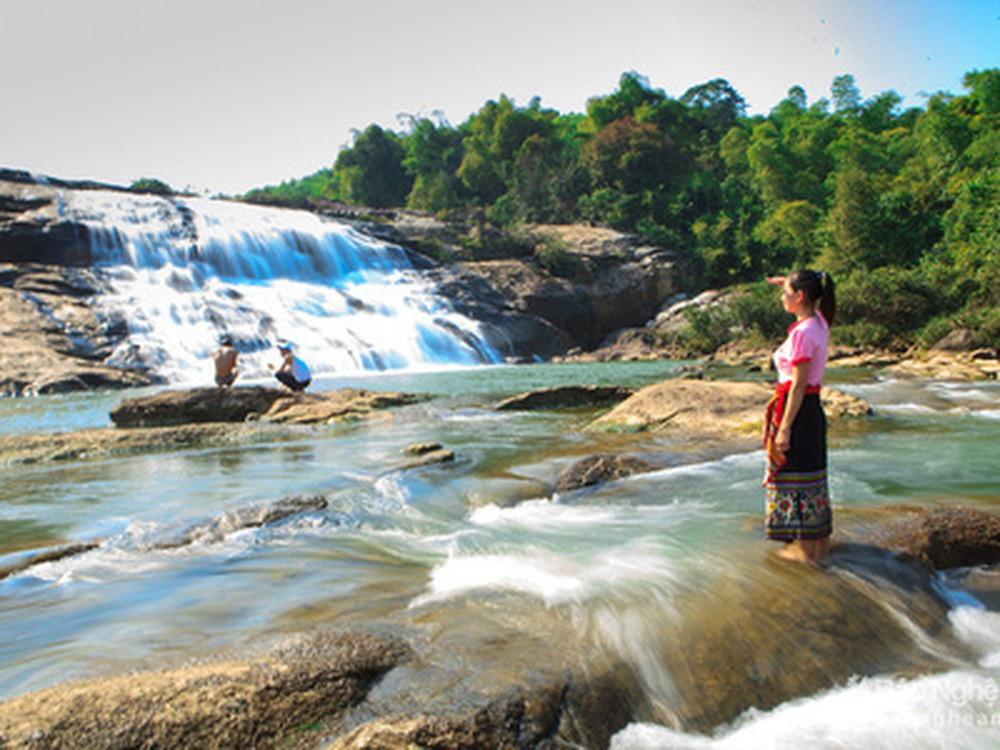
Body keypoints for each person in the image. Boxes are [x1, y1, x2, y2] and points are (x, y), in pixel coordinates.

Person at [762, 270, 836, 564]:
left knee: (795, 481)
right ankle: (821, 550)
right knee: (813, 480)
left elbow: (798, 384)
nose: (782, 297)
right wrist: (791, 284)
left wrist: (784, 428)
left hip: (798, 412)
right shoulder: (819, 322)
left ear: (801, 296)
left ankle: (805, 556)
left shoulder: (803, 334)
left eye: (786, 292)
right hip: (813, 412)